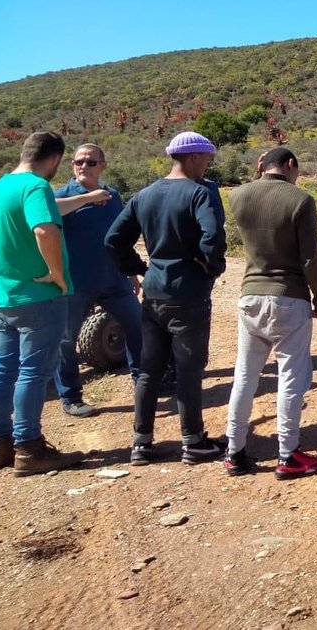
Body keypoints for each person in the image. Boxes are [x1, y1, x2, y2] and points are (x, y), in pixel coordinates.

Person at [105, 131, 226, 466]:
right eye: (205, 157)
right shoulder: (199, 193)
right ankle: (193, 442)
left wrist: (140, 267)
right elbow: (212, 235)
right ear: (191, 157)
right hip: (189, 293)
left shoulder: (144, 195)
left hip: (154, 291)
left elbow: (114, 239)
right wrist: (211, 267)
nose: (206, 164)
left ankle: (141, 444)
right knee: (189, 369)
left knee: (149, 369)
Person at [224, 147, 317, 479]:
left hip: (250, 295)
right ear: (289, 165)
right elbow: (310, 258)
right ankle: (288, 454)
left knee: (245, 376)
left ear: (262, 165)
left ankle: (234, 451)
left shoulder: (238, 196)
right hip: (289, 298)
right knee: (291, 377)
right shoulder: (300, 200)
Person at [0, 131, 86, 475]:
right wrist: (57, 274)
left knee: (2, 370)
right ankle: (29, 448)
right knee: (33, 372)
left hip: (5, 296)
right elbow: (45, 229)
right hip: (39, 298)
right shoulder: (36, 187)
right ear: (55, 159)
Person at [51, 143, 144, 416]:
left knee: (138, 326)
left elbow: (121, 238)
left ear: (103, 166)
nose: (84, 166)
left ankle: (144, 383)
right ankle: (71, 398)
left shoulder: (112, 196)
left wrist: (130, 271)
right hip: (75, 283)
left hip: (114, 280)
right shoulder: (62, 196)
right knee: (66, 341)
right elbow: (50, 211)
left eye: (91, 162)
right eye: (79, 162)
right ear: (72, 166)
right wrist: (89, 198)